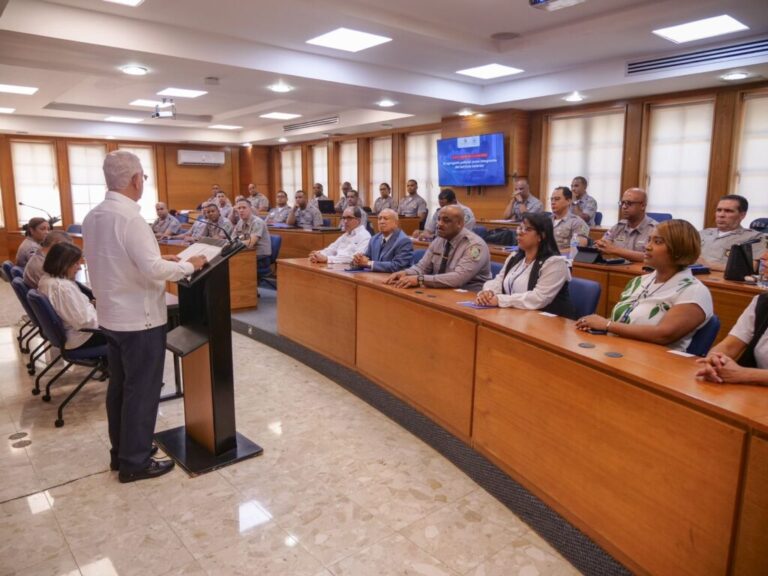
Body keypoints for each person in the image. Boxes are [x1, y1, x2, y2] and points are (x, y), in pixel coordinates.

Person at [82, 150, 207, 483]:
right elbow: (152, 269)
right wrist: (189, 265)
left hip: (111, 316)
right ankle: (135, 462)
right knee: (143, 391)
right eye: (144, 178)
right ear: (136, 179)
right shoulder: (131, 219)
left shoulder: (93, 216)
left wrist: (163, 259)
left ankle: (122, 452)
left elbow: (122, 260)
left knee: (121, 388)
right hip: (141, 319)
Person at [576, 219, 713, 352]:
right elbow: (624, 320)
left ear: (679, 250)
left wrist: (607, 325)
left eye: (657, 242)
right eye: (649, 240)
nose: (647, 246)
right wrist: (595, 323)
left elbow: (663, 335)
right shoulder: (640, 281)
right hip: (619, 349)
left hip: (656, 361)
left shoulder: (694, 291)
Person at [476, 212, 574, 317]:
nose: (520, 232)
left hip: (548, 321)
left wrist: (500, 300)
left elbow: (538, 298)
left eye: (528, 229)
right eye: (520, 228)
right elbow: (499, 281)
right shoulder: (514, 257)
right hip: (517, 315)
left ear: (542, 235)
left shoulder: (555, 263)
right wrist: (488, 293)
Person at [696, 253, 768, 385]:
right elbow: (730, 346)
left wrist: (745, 375)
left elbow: (742, 374)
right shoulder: (762, 302)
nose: (764, 258)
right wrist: (714, 360)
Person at [387, 205, 490, 291]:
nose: (439, 224)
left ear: (459, 223)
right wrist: (405, 273)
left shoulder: (475, 246)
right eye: (438, 219)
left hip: (469, 296)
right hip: (442, 290)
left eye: (446, 221)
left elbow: (458, 278)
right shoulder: (439, 240)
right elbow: (422, 267)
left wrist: (420, 279)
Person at [38, 242, 105, 350]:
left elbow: (73, 312)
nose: (79, 268)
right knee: (128, 330)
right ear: (63, 263)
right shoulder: (63, 288)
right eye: (76, 263)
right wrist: (106, 316)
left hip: (74, 332)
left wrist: (90, 306)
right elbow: (84, 322)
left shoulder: (46, 279)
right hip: (84, 337)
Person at [698, 194, 765, 271]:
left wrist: (708, 265)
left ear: (742, 215)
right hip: (691, 276)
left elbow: (752, 267)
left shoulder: (754, 237)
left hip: (722, 278)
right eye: (719, 210)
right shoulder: (702, 233)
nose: (721, 215)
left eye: (728, 211)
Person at [594, 188, 657, 262]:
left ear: (642, 206)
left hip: (641, 269)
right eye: (622, 203)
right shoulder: (618, 227)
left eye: (629, 203)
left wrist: (615, 250)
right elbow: (603, 245)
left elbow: (651, 257)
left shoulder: (654, 229)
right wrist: (600, 246)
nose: (624, 207)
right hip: (618, 267)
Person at [233, 198, 272, 268]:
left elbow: (250, 243)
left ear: (250, 209)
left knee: (233, 263)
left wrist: (234, 244)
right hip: (247, 253)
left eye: (244, 208)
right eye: (239, 208)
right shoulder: (240, 222)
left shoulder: (257, 222)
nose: (241, 210)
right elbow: (232, 238)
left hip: (260, 256)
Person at [550, 186, 590, 251]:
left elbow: (577, 249)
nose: (553, 202)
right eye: (551, 199)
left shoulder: (578, 222)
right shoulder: (546, 220)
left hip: (563, 256)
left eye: (557, 199)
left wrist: (553, 254)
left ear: (568, 201)